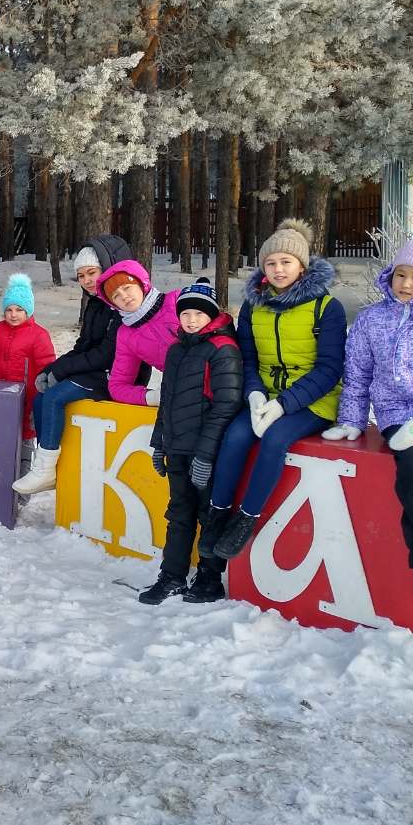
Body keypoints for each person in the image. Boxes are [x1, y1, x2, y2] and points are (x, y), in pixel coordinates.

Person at [324, 223, 413, 613]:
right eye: (401, 274)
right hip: (399, 413)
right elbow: (358, 375)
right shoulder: (373, 319)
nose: (406, 283)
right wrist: (352, 420)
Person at [200, 219, 346, 561]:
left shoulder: (327, 307)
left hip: (313, 400)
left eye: (286, 262)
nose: (279, 270)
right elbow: (247, 357)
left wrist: (283, 405)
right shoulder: (254, 305)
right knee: (235, 437)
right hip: (263, 395)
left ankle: (246, 520)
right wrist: (254, 394)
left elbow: (329, 369)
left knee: (275, 439)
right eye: (271, 263)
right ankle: (216, 515)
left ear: (302, 265)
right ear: (262, 267)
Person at [142, 278, 243, 605]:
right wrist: (160, 443)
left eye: (199, 314)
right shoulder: (176, 350)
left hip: (206, 454)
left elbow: (226, 405)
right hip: (178, 449)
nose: (191, 319)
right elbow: (168, 401)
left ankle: (210, 578)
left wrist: (205, 454)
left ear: (211, 316)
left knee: (209, 514)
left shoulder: (223, 350)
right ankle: (171, 575)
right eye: (186, 313)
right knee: (179, 513)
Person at [15, 236, 131, 494]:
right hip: (95, 371)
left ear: (108, 268)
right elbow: (83, 347)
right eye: (81, 276)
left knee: (56, 396)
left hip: (116, 375)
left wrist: (62, 370)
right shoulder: (95, 304)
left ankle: (44, 469)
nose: (87, 280)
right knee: (41, 397)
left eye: (92, 272)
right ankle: (48, 467)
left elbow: (106, 354)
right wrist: (52, 368)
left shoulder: (120, 304)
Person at [0, 273, 56, 460]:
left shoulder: (39, 336)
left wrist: (40, 400)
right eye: (9, 309)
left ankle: (22, 487)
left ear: (28, 310)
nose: (13, 314)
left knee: (23, 447)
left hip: (25, 402)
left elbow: (46, 368)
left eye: (19, 309)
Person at [96, 258, 179, 406]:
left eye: (127, 287)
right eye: (115, 296)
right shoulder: (126, 335)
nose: (124, 296)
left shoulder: (177, 300)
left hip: (222, 375)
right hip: (182, 392)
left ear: (141, 283)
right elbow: (117, 386)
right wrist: (150, 397)